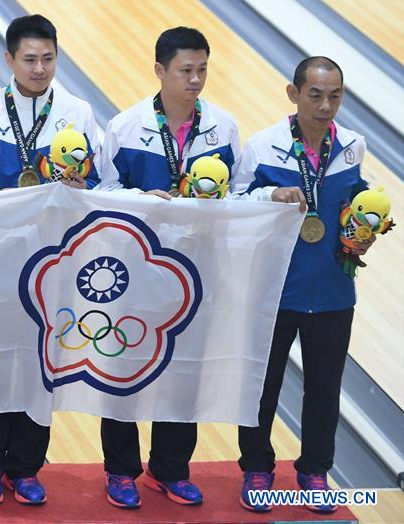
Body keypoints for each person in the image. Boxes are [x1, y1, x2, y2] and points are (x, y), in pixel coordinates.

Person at [0, 14, 113, 506]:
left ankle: (26, 467)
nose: (39, 69)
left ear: (57, 57)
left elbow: (104, 179)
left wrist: (85, 188)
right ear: (9, 60)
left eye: (47, 59)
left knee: (44, 365)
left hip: (56, 265)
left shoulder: (79, 114)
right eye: (29, 60)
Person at [97, 27, 240, 508]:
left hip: (198, 271)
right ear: (160, 71)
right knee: (121, 368)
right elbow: (101, 194)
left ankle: (170, 468)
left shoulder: (223, 128)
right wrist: (142, 200)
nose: (196, 79)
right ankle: (119, 470)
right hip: (134, 273)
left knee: (184, 371)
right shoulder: (125, 127)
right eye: (185, 70)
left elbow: (239, 196)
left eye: (202, 69)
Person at [234, 56, 372, 514]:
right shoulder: (264, 145)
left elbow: (356, 204)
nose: (326, 105)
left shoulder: (352, 145)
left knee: (325, 388)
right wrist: (269, 195)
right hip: (274, 290)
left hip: (333, 291)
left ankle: (314, 470)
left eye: (335, 95)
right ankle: (256, 467)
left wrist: (363, 229)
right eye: (315, 95)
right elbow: (234, 199)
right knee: (262, 385)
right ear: (293, 94)